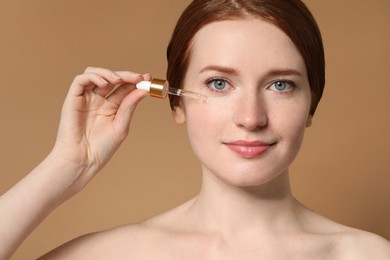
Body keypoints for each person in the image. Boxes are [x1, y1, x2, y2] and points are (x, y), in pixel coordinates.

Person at [1, 0, 389, 259]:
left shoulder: (369, 255)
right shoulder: (114, 254)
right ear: (176, 102)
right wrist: (66, 166)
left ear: (310, 102)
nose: (251, 118)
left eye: (280, 85)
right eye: (219, 84)